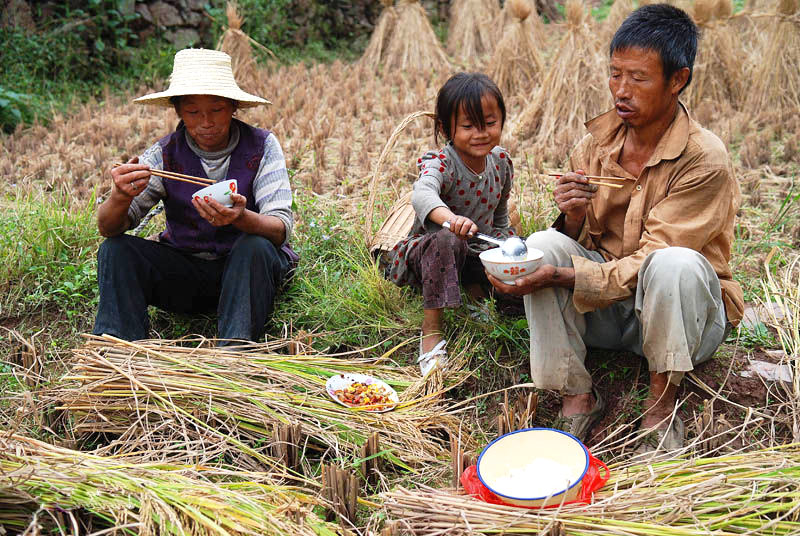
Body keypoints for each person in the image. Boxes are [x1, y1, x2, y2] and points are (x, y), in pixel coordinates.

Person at [488, 4, 743, 453]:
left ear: (677, 80)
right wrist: (571, 217)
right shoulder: (596, 143)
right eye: (614, 74)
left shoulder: (705, 158)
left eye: (638, 78)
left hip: (682, 320)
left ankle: (661, 406)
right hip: (607, 313)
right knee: (543, 244)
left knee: (675, 263)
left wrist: (565, 276)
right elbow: (577, 244)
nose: (621, 90)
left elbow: (652, 260)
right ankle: (576, 396)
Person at [93, 48, 297, 344]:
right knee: (115, 250)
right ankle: (121, 351)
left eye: (217, 110)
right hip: (187, 276)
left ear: (233, 107)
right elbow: (108, 227)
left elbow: (280, 229)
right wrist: (120, 197)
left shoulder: (262, 146)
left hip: (249, 277)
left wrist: (241, 218)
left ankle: (235, 353)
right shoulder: (164, 155)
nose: (206, 121)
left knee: (254, 246)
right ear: (178, 111)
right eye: (192, 112)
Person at [386, 72, 518, 376]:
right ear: (446, 128)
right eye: (469, 126)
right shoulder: (441, 163)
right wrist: (450, 219)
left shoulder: (501, 162)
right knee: (449, 240)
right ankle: (432, 330)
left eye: (490, 123)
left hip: (474, 249)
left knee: (511, 256)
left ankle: (475, 291)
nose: (481, 134)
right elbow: (422, 195)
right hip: (429, 254)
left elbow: (499, 218)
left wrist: (510, 246)